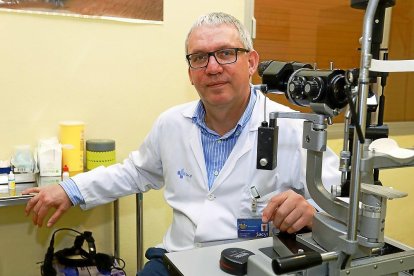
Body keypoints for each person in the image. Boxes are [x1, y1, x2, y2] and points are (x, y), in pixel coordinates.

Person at [24, 12, 341, 275]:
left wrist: (311, 213)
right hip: (178, 256)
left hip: (255, 261)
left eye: (226, 53)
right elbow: (134, 172)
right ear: (190, 72)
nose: (213, 67)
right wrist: (70, 189)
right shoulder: (172, 123)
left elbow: (341, 204)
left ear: (251, 62)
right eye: (200, 58)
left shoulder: (294, 128)